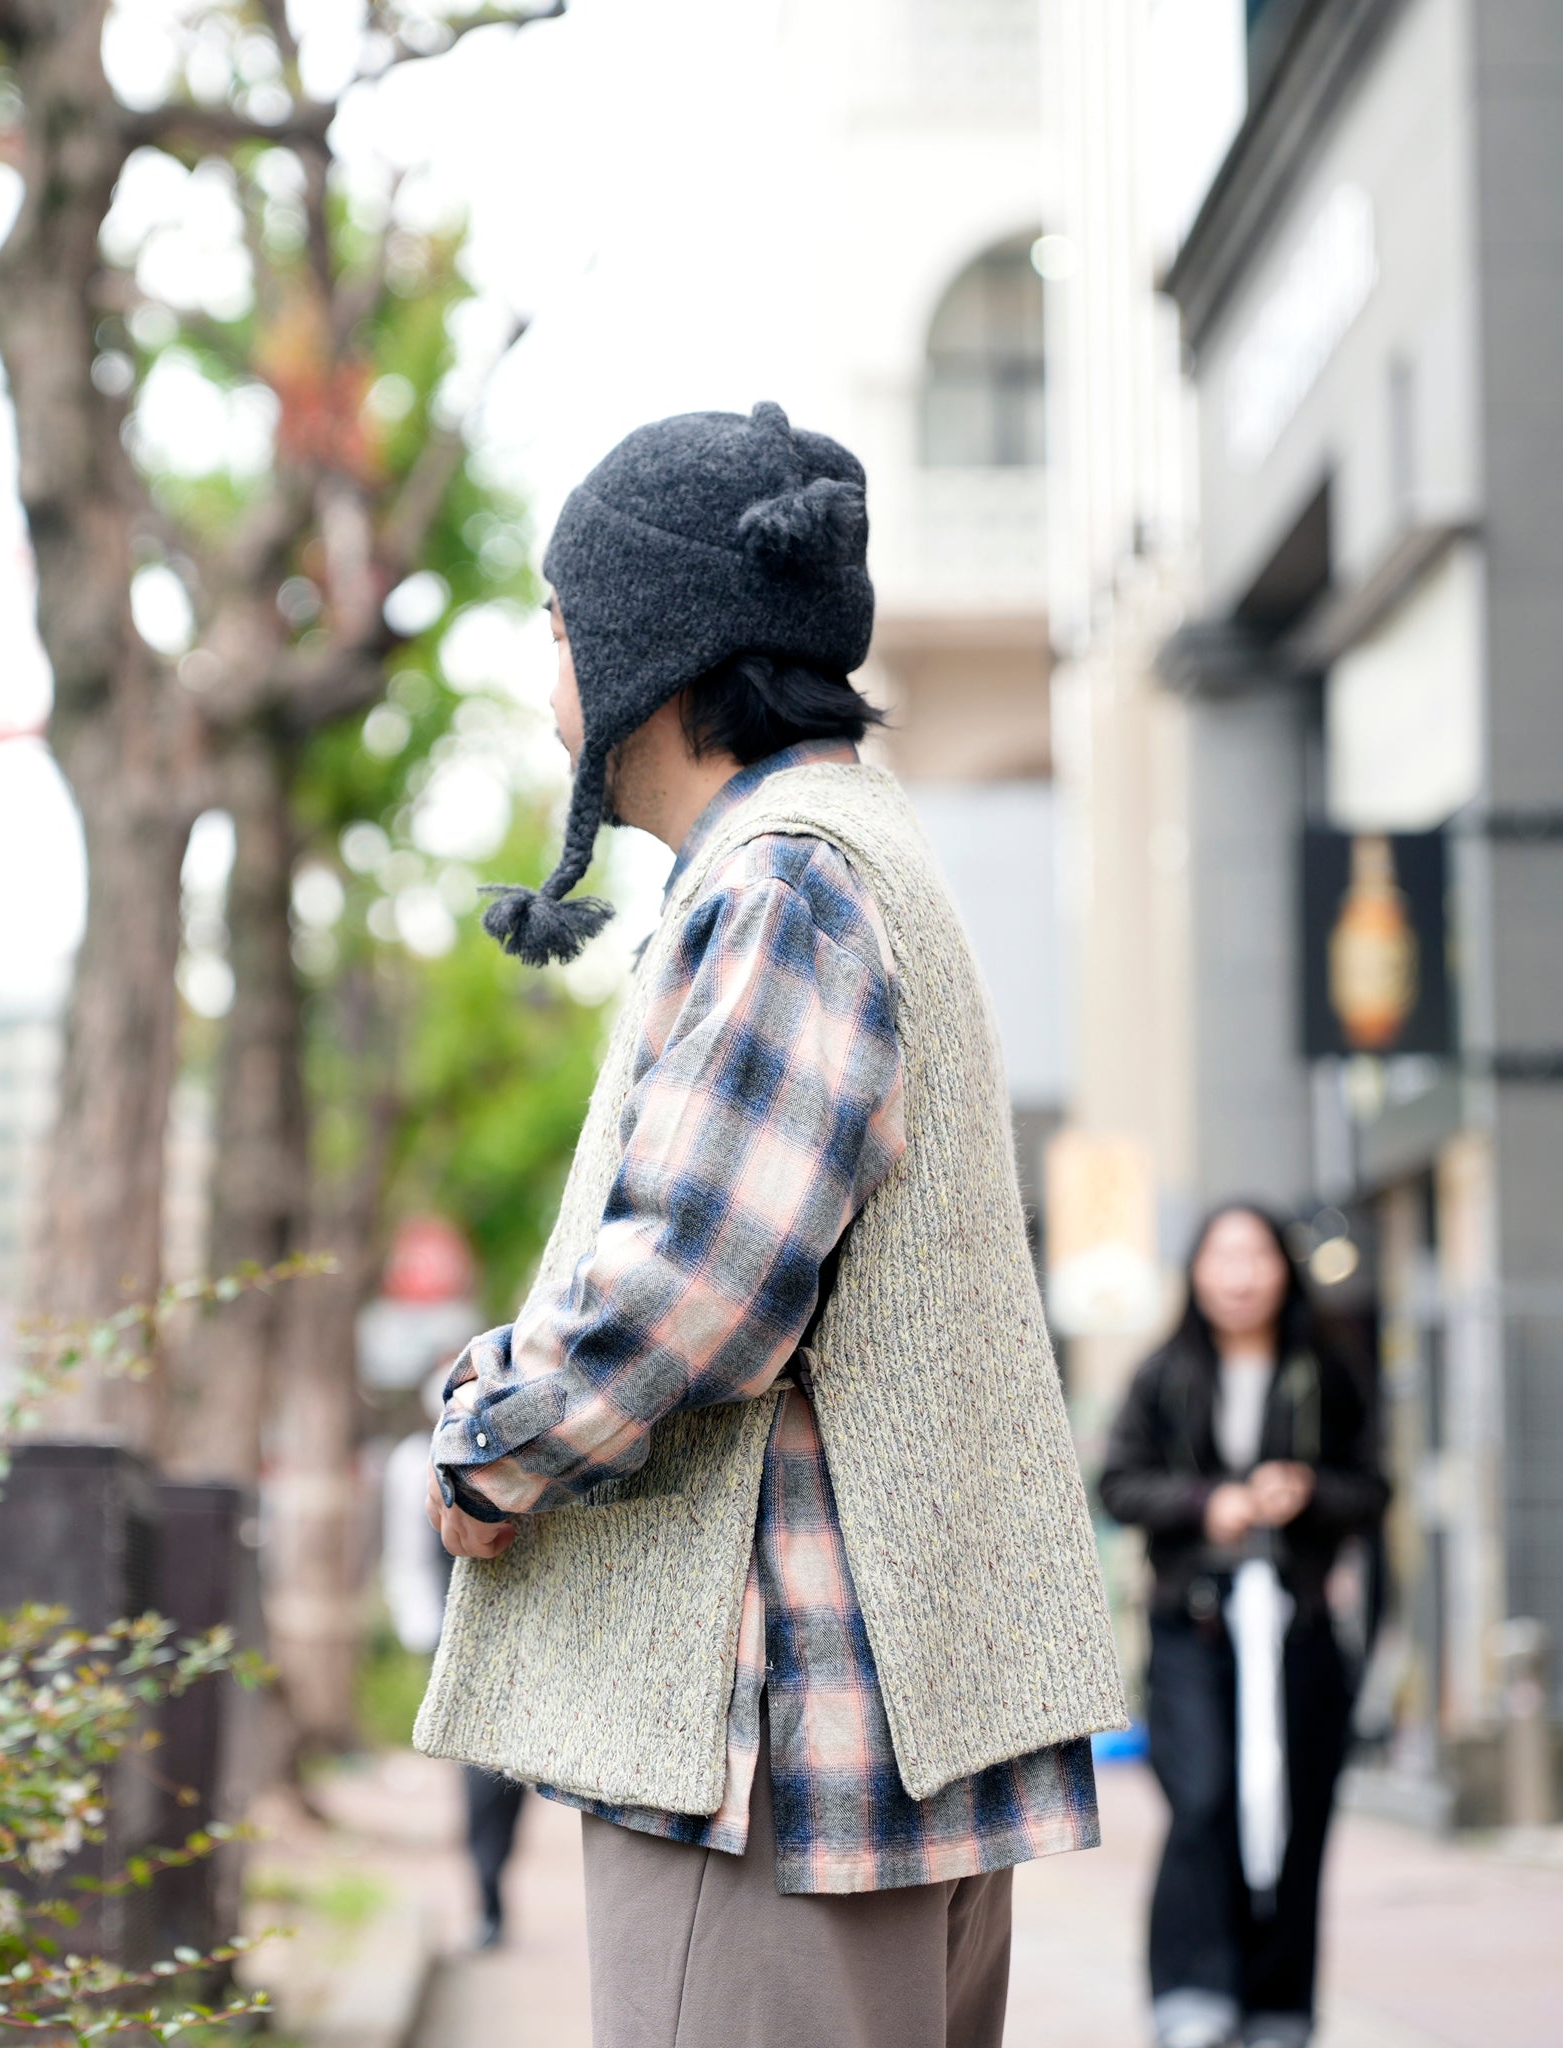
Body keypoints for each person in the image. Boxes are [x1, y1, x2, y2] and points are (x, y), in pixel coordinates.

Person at [408, 402, 1127, 2048]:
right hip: (874, 1728)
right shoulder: (854, 850)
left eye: (557, 624)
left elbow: (696, 1283)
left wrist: (485, 1443)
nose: (547, 671)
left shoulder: (782, 878)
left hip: (766, 1747)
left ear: (655, 643)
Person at [1101, 1204, 1389, 2048]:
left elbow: (1373, 1487)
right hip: (1193, 1623)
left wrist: (1307, 1494)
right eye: (1222, 1257)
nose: (1239, 1276)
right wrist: (1207, 1504)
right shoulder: (1163, 1372)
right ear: (1196, 1272)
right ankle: (1192, 1991)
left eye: (1256, 1256)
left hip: (1300, 1623)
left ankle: (1279, 2006)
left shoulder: (1327, 1369)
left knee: (1301, 1809)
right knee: (1202, 1800)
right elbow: (1120, 1484)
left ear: (1284, 1270)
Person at [381, 1371, 528, 1950]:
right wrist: (427, 1634)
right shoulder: (412, 1461)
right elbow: (406, 1553)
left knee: (513, 1771)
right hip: (454, 1629)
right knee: (479, 1767)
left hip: (524, 1624)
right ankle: (487, 1892)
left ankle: (494, 1878)